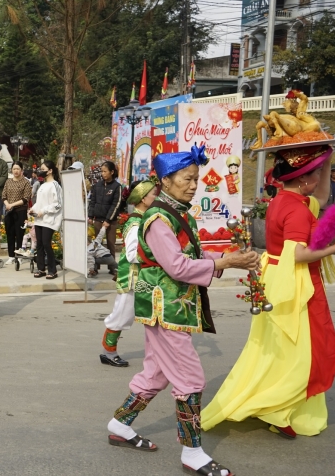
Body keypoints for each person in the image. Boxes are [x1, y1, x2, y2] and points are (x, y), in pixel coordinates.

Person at [105, 146, 259, 476]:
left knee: (156, 374)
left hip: (173, 306)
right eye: (187, 179)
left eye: (196, 179)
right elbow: (176, 266)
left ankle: (120, 424)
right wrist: (226, 262)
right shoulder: (158, 219)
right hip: (165, 308)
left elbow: (187, 258)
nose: (193, 185)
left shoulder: (179, 213)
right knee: (190, 378)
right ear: (166, 180)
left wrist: (224, 259)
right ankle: (192, 452)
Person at [204, 145, 335, 440]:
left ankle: (279, 408)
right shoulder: (296, 209)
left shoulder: (286, 198)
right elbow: (297, 255)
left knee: (281, 350)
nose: (321, 178)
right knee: (302, 352)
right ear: (304, 180)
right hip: (294, 281)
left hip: (279, 277)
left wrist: (327, 158)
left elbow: (320, 198)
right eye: (318, 173)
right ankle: (276, 409)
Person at [99, 179, 157, 367]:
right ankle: (109, 352)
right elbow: (132, 254)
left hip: (142, 276)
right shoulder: (135, 223)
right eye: (153, 194)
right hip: (132, 276)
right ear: (142, 198)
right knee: (122, 315)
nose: (156, 197)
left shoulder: (143, 219)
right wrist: (156, 255)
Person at [29, 160, 63, 280]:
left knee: (46, 243)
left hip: (49, 220)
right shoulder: (42, 185)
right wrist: (32, 209)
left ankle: (52, 270)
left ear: (50, 171)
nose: (40, 171)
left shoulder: (55, 185)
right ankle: (41, 268)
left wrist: (43, 211)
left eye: (43, 169)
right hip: (39, 219)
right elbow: (39, 203)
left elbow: (58, 204)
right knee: (39, 244)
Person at [88, 161, 123, 275]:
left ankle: (112, 267)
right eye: (101, 171)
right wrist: (90, 216)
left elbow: (116, 205)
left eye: (105, 171)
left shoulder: (117, 187)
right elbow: (92, 202)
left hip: (110, 222)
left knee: (111, 244)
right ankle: (94, 267)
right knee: (96, 246)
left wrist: (108, 220)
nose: (102, 174)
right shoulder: (96, 186)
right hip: (98, 220)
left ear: (112, 172)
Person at [1, 161, 32, 265]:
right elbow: (3, 196)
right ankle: (11, 256)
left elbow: (25, 198)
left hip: (20, 211)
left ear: (22, 170)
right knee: (10, 233)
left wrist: (12, 204)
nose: (16, 171)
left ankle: (19, 256)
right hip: (9, 212)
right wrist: (7, 204)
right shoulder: (8, 182)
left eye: (18, 169)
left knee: (19, 234)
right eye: (14, 169)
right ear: (11, 170)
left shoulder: (26, 182)